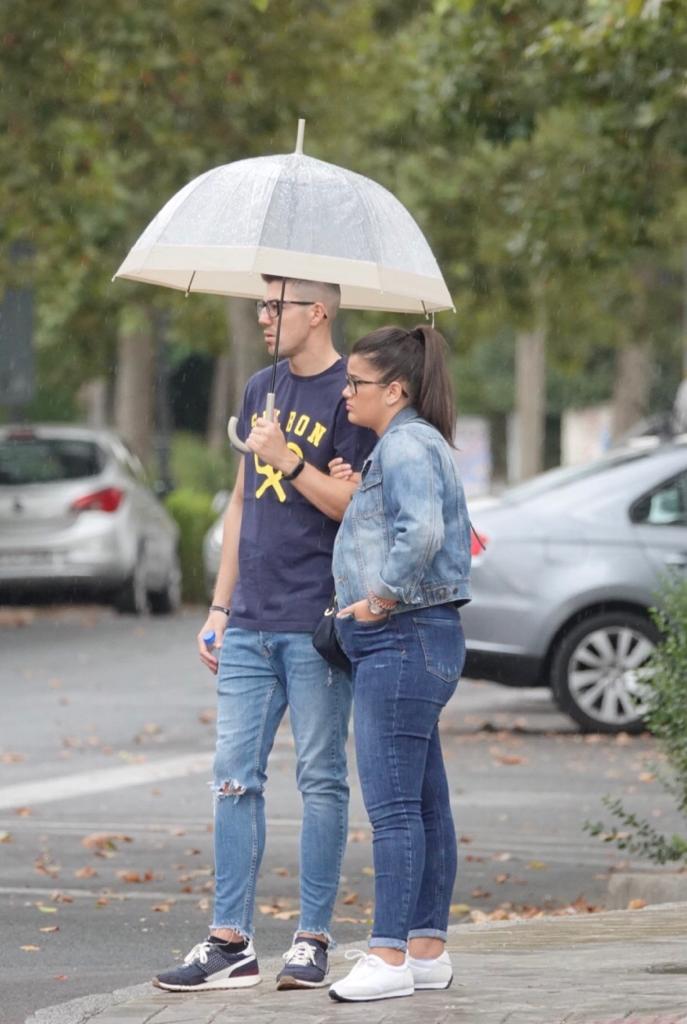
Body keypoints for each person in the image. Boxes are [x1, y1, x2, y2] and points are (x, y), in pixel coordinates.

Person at [153, 277, 375, 993]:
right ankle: (229, 942)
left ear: (319, 312)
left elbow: (352, 504)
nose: (263, 315)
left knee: (320, 779)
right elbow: (244, 502)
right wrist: (220, 609)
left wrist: (290, 458)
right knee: (232, 780)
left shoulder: (355, 392)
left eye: (276, 305)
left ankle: (311, 938)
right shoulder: (259, 389)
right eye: (260, 303)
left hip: (316, 621)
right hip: (248, 621)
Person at [327, 324, 471, 1003]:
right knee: (423, 801)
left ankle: (385, 955)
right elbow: (409, 522)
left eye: (355, 381)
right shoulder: (414, 444)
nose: (345, 390)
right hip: (424, 639)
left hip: (402, 637)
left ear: (395, 389)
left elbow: (425, 532)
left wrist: (378, 600)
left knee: (391, 809)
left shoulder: (407, 444)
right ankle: (424, 948)